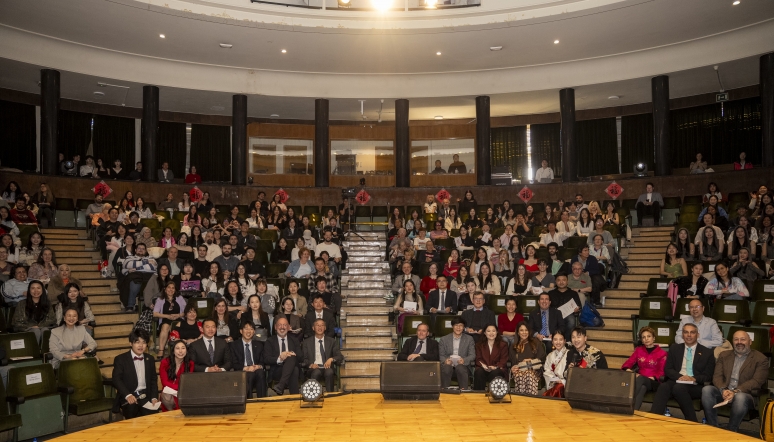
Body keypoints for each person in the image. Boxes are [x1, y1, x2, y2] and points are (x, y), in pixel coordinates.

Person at [702, 330, 767, 433]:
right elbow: (717, 376)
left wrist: (735, 391)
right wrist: (723, 389)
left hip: (745, 394)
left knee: (740, 397)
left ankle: (732, 430)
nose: (739, 342)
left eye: (743, 339)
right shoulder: (724, 355)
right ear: (732, 341)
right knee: (707, 390)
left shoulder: (760, 359)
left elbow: (756, 381)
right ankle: (713, 427)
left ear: (750, 342)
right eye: (736, 339)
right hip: (725, 391)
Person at [650, 323, 716, 422]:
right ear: (682, 335)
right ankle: (653, 419)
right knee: (664, 386)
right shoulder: (674, 348)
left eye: (692, 332)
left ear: (697, 335)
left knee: (678, 388)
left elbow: (708, 375)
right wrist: (680, 376)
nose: (689, 335)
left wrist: (693, 378)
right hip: (677, 379)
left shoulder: (707, 352)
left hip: (695, 384)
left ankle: (692, 421)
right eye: (686, 332)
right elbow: (668, 369)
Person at [111, 330, 160, 419]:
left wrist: (154, 398)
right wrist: (128, 395)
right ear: (131, 343)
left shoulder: (150, 359)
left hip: (146, 396)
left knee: (153, 417)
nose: (141, 345)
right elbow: (116, 379)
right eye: (137, 342)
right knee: (132, 412)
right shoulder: (120, 359)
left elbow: (153, 380)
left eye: (144, 342)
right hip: (129, 396)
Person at [622, 326, 668, 410]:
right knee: (642, 387)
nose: (646, 339)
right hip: (641, 380)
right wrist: (629, 371)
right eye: (643, 337)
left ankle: (624, 400)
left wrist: (653, 377)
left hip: (654, 381)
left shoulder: (662, 353)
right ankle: (633, 411)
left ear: (654, 338)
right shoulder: (638, 350)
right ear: (642, 340)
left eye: (649, 336)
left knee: (641, 378)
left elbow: (662, 372)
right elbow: (627, 363)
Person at [302, 318, 343, 392]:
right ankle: (313, 395)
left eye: (322, 325)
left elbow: (340, 356)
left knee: (329, 372)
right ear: (313, 328)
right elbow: (303, 359)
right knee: (316, 372)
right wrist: (311, 365)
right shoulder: (306, 342)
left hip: (326, 367)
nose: (320, 327)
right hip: (313, 369)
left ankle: (330, 395)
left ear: (325, 328)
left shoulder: (331, 341)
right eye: (317, 325)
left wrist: (331, 359)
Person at [264, 317, 301, 395]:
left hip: (293, 369)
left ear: (288, 327)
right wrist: (280, 358)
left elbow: (301, 356)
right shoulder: (269, 341)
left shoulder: (295, 340)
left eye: (285, 325)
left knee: (293, 365)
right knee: (294, 370)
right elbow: (266, 359)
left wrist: (290, 353)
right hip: (277, 370)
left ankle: (281, 385)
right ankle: (295, 397)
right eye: (279, 325)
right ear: (275, 327)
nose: (282, 327)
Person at [229, 321, 266, 399]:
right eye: (246, 329)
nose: (249, 331)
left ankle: (262, 400)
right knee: (249, 375)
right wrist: (246, 368)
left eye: (251, 329)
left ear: (254, 332)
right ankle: (249, 401)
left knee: (261, 373)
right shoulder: (234, 345)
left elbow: (263, 361)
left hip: (256, 370)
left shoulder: (259, 345)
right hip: (242, 371)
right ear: (241, 331)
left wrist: (258, 366)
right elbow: (233, 363)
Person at [509, 321, 546, 396]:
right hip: (519, 370)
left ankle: (531, 399)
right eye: (521, 330)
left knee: (528, 374)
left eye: (526, 330)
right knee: (520, 375)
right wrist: (513, 368)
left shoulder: (536, 342)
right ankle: (520, 400)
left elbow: (542, 358)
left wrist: (530, 361)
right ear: (518, 332)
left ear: (529, 331)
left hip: (534, 370)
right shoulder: (513, 346)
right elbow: (513, 362)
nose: (524, 332)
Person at [438, 316, 475, 390]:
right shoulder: (443, 339)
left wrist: (464, 360)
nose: (458, 328)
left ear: (464, 327)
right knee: (446, 368)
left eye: (461, 325)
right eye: (456, 325)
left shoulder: (469, 339)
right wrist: (445, 361)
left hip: (463, 366)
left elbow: (472, 355)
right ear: (452, 326)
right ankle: (444, 391)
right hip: (448, 365)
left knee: (460, 368)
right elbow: (441, 355)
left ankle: (464, 391)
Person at [159, 340, 195, 411]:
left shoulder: (190, 363)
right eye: (177, 348)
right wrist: (178, 388)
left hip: (182, 391)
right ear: (173, 351)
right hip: (169, 391)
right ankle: (171, 413)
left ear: (186, 350)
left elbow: (188, 381)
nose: (180, 351)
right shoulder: (165, 362)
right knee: (166, 395)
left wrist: (180, 390)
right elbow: (164, 382)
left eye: (183, 348)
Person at [152, 282, 186, 357]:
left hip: (178, 319)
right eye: (169, 287)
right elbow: (155, 313)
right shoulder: (160, 299)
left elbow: (186, 311)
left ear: (175, 290)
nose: (171, 289)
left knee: (178, 326)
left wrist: (178, 315)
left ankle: (179, 349)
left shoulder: (179, 298)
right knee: (165, 327)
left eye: (173, 288)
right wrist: (167, 316)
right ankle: (161, 350)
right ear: (165, 289)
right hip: (166, 319)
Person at [473, 325, 508, 391]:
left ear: (497, 332)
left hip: (497, 368)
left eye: (493, 331)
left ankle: (494, 394)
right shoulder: (479, 345)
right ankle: (478, 394)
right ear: (484, 333)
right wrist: (483, 365)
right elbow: (478, 358)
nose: (491, 333)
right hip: (483, 368)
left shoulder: (503, 345)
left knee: (495, 373)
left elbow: (503, 359)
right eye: (488, 331)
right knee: (479, 372)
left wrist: (496, 367)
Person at [547, 274, 582, 340]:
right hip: (554, 315)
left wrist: (576, 309)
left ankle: (567, 341)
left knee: (571, 320)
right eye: (559, 280)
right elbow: (547, 306)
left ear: (567, 281)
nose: (561, 282)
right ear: (555, 282)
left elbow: (579, 306)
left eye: (563, 280)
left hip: (568, 315)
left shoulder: (573, 293)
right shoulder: (551, 293)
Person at [543, 330, 570, 396]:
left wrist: (562, 381)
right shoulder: (550, 355)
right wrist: (554, 379)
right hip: (553, 382)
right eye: (555, 339)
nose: (558, 342)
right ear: (552, 341)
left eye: (561, 339)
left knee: (559, 387)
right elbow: (547, 371)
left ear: (564, 341)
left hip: (565, 383)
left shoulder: (569, 354)